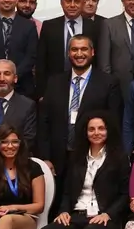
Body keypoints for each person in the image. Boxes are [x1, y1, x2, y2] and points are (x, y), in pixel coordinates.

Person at [37, 35, 123, 202]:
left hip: (92, 157)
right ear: (68, 53)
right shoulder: (54, 82)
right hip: (58, 158)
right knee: (57, 206)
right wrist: (45, 157)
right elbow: (44, 122)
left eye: (84, 49)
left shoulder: (108, 83)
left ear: (92, 52)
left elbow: (113, 122)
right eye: (74, 49)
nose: (79, 54)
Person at [37, 0, 101, 95]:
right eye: (68, 1)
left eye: (76, 1)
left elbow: (99, 60)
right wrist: (41, 93)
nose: (72, 5)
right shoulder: (49, 26)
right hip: (55, 87)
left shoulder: (95, 27)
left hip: (88, 87)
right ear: (62, 3)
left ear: (83, 3)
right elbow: (41, 61)